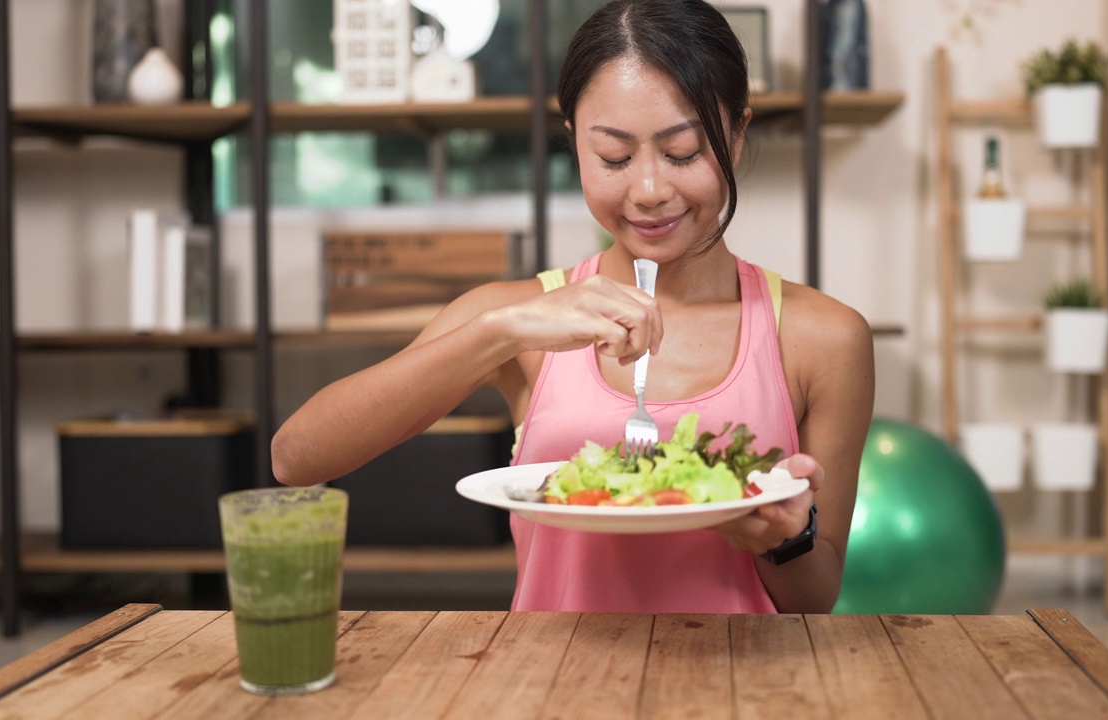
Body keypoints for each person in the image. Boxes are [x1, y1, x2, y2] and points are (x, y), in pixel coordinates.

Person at [272, 0, 875, 615]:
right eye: (614, 157)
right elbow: (297, 458)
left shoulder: (822, 337)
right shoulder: (517, 319)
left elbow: (817, 599)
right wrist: (500, 330)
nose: (648, 190)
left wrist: (784, 538)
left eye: (684, 151)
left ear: (737, 133)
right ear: (574, 143)